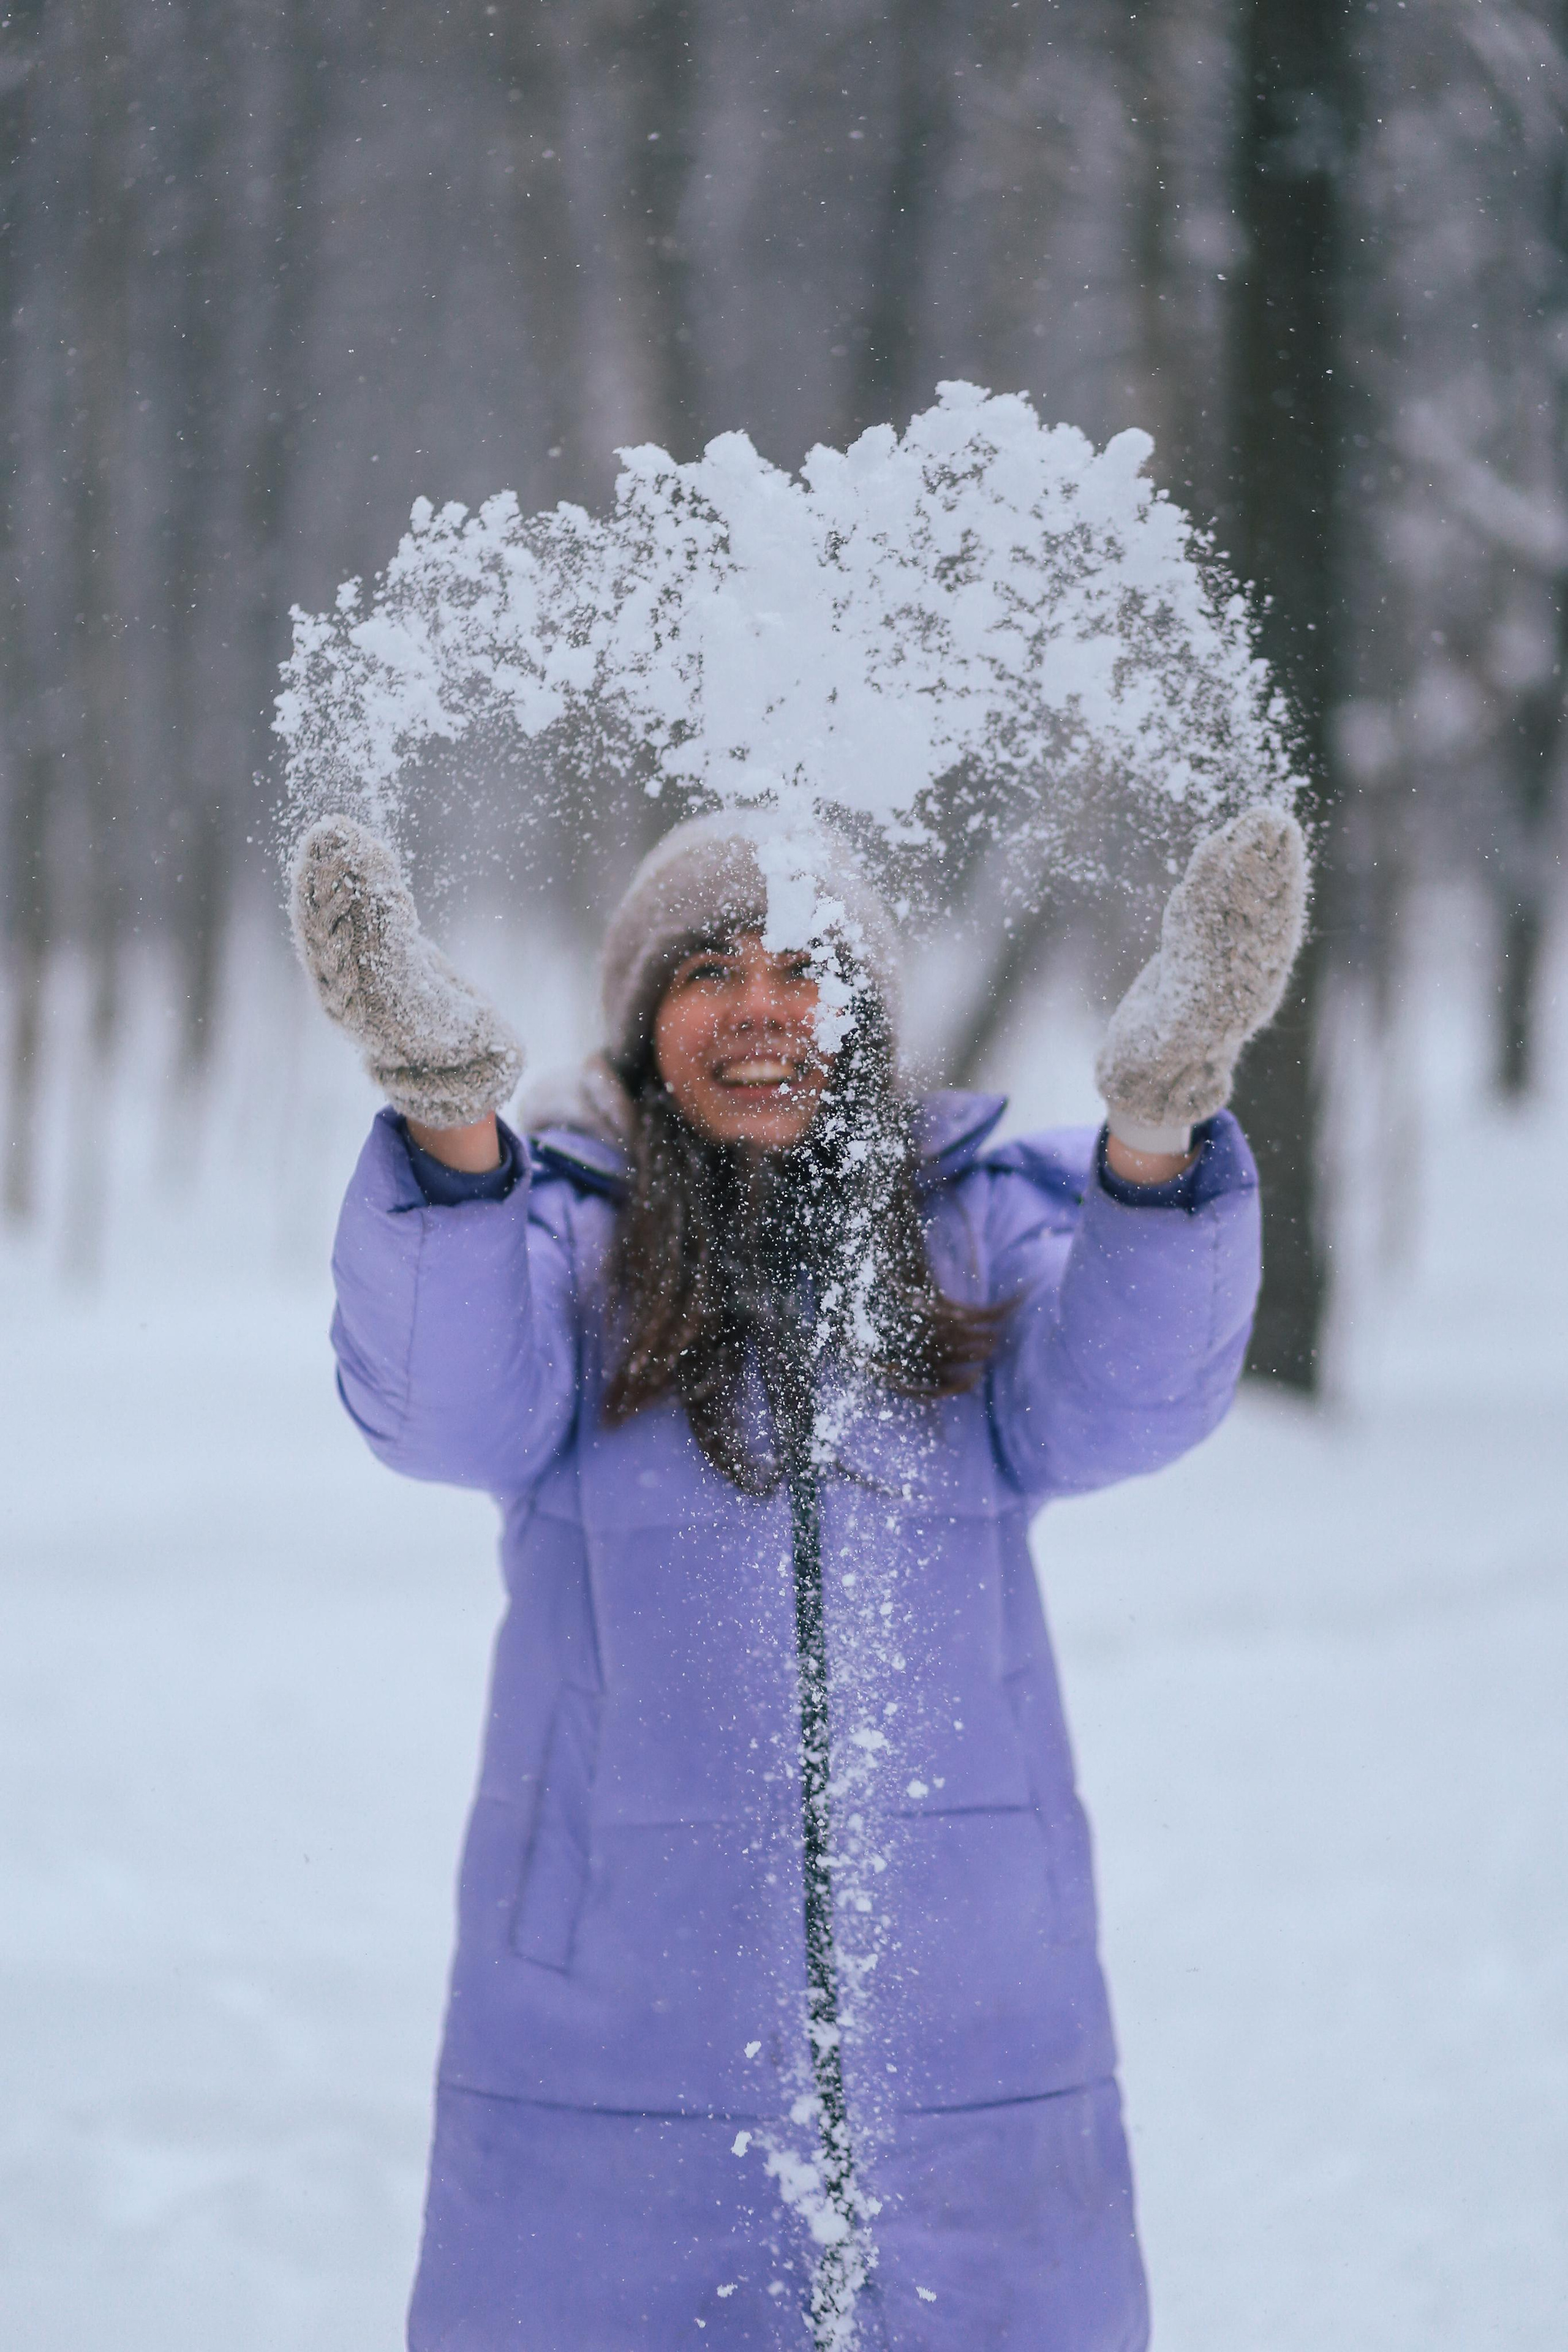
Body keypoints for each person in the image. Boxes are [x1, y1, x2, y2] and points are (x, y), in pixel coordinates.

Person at [292, 802, 1306, 2352]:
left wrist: (1157, 1129)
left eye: (808, 965)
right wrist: (450, 1122)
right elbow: (436, 1407)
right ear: (643, 1028)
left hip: (971, 2048)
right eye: (709, 968)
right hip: (604, 2055)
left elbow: (1127, 1401)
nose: (763, 1005)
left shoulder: (971, 1233)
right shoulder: (559, 1245)